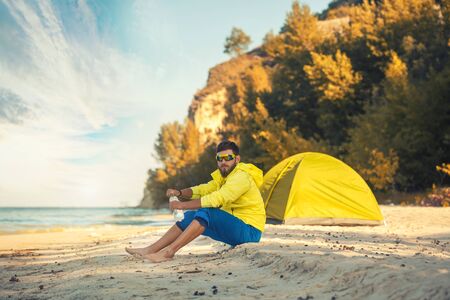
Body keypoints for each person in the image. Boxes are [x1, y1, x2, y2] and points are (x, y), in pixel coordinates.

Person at [125, 140, 266, 263]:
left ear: (237, 159)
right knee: (190, 216)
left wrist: (181, 205)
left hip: (249, 231)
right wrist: (179, 193)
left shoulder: (241, 177)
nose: (223, 162)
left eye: (228, 158)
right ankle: (150, 249)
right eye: (219, 158)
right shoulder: (223, 179)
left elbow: (218, 198)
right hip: (236, 228)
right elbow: (202, 189)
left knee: (208, 212)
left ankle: (169, 252)